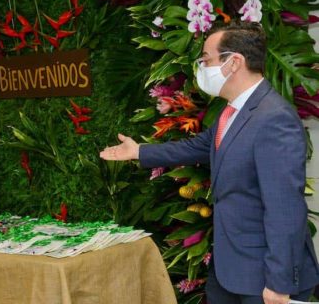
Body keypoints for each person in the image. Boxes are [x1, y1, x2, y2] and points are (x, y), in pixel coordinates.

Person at [100, 21, 319, 304]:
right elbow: (199, 146)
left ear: (234, 62)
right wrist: (140, 152)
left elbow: (285, 208)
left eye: (206, 60)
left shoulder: (273, 118)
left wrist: (279, 283)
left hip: (264, 277)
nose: (201, 67)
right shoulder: (233, 112)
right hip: (230, 269)